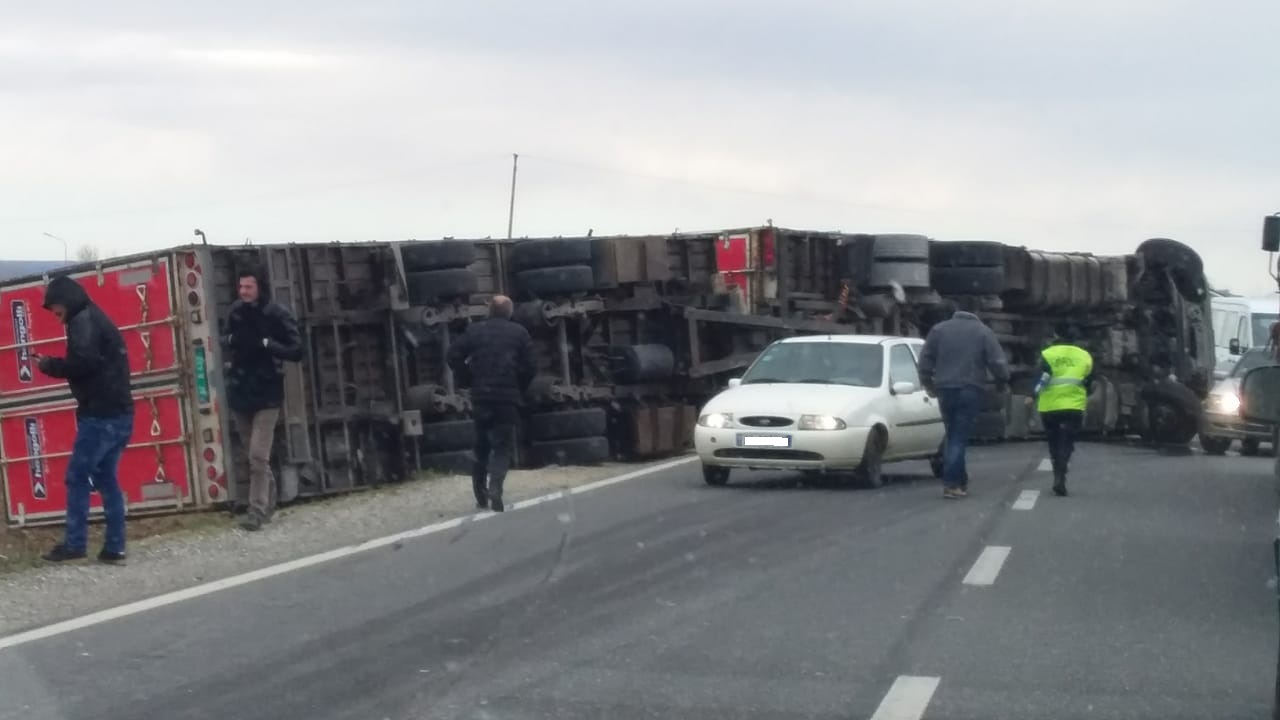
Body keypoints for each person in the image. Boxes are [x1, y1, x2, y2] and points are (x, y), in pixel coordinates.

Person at [34, 275, 134, 564]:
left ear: (65, 302)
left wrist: (49, 365)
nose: (56, 318)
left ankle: (75, 543)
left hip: (100, 416)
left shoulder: (83, 322)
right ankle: (114, 547)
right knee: (106, 478)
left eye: (56, 311)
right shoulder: (93, 316)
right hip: (121, 413)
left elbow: (84, 364)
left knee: (77, 476)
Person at [222, 267, 303, 531]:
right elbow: (224, 338)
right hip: (240, 392)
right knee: (253, 456)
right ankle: (269, 502)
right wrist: (232, 340)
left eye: (249, 287)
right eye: (241, 287)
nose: (244, 292)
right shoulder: (235, 312)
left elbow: (296, 349)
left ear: (260, 287)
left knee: (258, 455)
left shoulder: (276, 314)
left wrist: (269, 345)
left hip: (267, 394)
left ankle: (256, 510)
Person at [447, 295, 536, 513]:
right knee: (503, 447)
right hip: (507, 398)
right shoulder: (519, 333)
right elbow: (531, 366)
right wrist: (519, 386)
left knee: (482, 446)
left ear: (490, 312)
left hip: (482, 397)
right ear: (509, 312)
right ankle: (496, 486)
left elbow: (452, 355)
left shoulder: (475, 331)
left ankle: (480, 494)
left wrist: (468, 378)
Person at [918, 302, 1010, 499]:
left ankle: (960, 480)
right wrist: (1002, 382)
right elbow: (998, 362)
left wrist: (927, 383)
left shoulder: (938, 330)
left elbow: (925, 360)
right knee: (959, 436)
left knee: (952, 434)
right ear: (975, 314)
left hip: (944, 389)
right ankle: (952, 484)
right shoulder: (983, 332)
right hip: (970, 389)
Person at [1033, 324, 1094, 497]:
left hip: (1050, 405)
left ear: (1055, 335)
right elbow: (1089, 380)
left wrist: (1033, 394)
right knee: (1067, 440)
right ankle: (1063, 468)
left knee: (1053, 440)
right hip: (1074, 405)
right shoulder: (1085, 356)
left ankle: (1057, 471)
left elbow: (1041, 377)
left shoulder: (1047, 354)